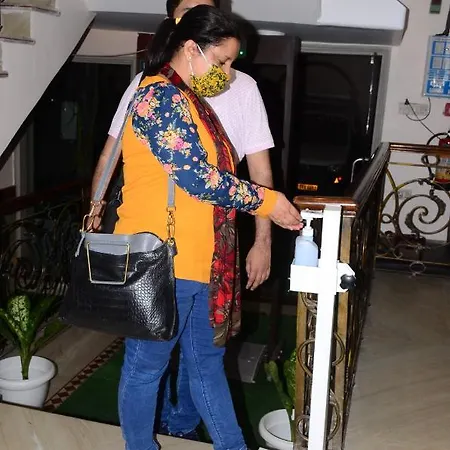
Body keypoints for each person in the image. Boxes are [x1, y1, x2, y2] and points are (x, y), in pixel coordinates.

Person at [90, 6, 301, 450]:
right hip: (159, 261)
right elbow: (197, 178)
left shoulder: (190, 101)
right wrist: (270, 201)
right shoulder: (157, 96)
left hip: (202, 261)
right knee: (146, 368)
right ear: (191, 48)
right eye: (221, 61)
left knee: (206, 364)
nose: (227, 73)